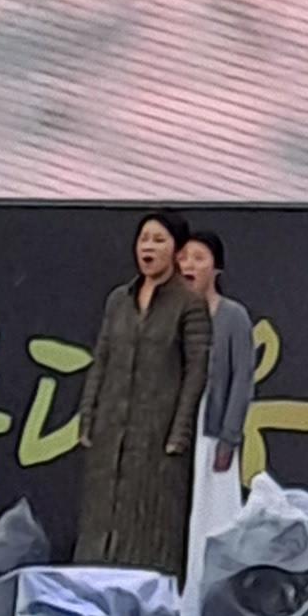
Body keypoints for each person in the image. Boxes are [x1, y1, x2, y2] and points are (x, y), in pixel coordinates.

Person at [79, 213, 212, 578]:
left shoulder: (188, 303)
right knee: (102, 513)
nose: (148, 248)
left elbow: (196, 370)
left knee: (152, 519)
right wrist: (88, 414)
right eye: (143, 239)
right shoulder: (119, 300)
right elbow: (102, 358)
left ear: (177, 251)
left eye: (158, 240)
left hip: (158, 432)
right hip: (112, 428)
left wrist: (180, 431)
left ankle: (151, 596)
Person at [180, 227, 256, 573]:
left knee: (213, 518)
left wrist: (229, 437)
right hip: (176, 430)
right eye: (183, 258)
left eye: (198, 258)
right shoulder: (173, 316)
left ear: (216, 268)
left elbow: (242, 378)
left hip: (211, 430)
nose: (188, 265)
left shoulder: (232, 316)